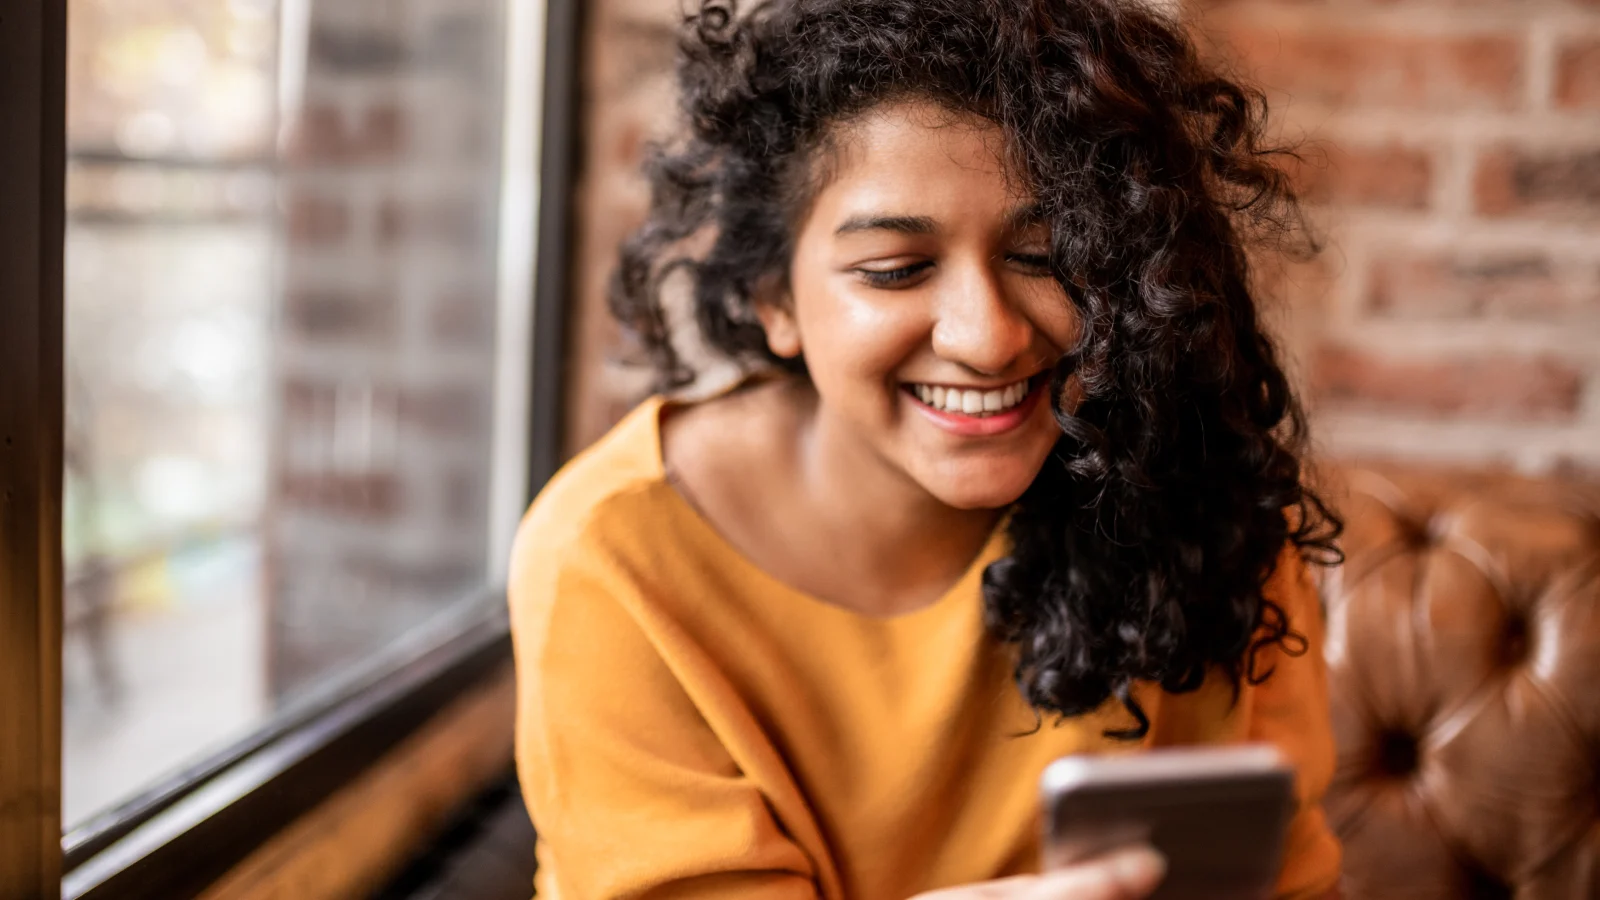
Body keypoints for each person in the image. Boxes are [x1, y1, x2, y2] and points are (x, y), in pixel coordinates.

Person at [509, 0, 1345, 896]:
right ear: (773, 297)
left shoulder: (1205, 497)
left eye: (1047, 255)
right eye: (896, 270)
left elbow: (1291, 876)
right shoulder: (614, 559)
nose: (986, 338)